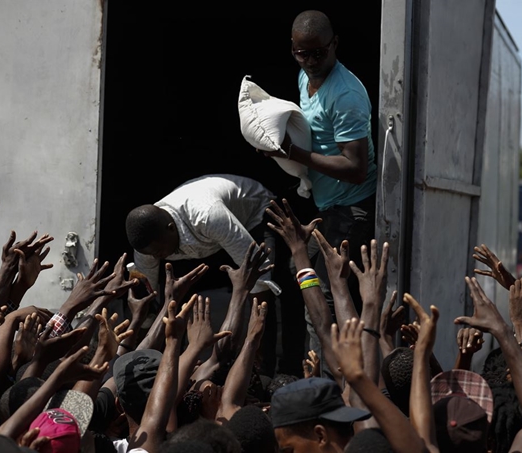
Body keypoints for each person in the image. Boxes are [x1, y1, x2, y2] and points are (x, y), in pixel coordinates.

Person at [260, 10, 377, 364]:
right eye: (302, 53)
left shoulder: (345, 95)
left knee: (326, 303)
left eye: (318, 53)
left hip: (353, 208)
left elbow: (356, 168)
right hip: (330, 207)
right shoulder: (305, 77)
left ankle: (333, 386)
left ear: (334, 45)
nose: (310, 61)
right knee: (307, 284)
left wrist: (295, 153)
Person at [125, 174, 280, 376]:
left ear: (170, 228)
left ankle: (266, 370)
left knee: (270, 292)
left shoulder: (208, 215)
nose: (156, 257)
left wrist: (254, 346)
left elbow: (259, 275)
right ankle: (170, 367)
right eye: (151, 254)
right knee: (170, 302)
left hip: (255, 214)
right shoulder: (149, 244)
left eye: (159, 252)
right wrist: (141, 355)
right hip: (205, 239)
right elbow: (147, 299)